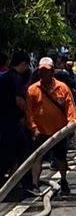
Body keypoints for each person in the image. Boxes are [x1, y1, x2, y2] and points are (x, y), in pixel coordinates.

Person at [26, 57, 76, 194]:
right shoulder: (33, 90)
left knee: (61, 158)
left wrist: (71, 125)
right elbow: (29, 112)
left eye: (47, 71)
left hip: (58, 131)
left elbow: (70, 107)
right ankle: (35, 184)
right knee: (37, 158)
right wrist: (34, 128)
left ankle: (64, 180)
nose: (44, 74)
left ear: (52, 71)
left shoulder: (62, 88)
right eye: (42, 71)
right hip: (41, 132)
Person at [0, 51, 33, 192]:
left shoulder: (3, 77)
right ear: (24, 64)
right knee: (24, 155)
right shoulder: (16, 79)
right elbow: (19, 101)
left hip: (3, 123)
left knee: (5, 155)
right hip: (15, 124)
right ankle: (21, 186)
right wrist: (28, 116)